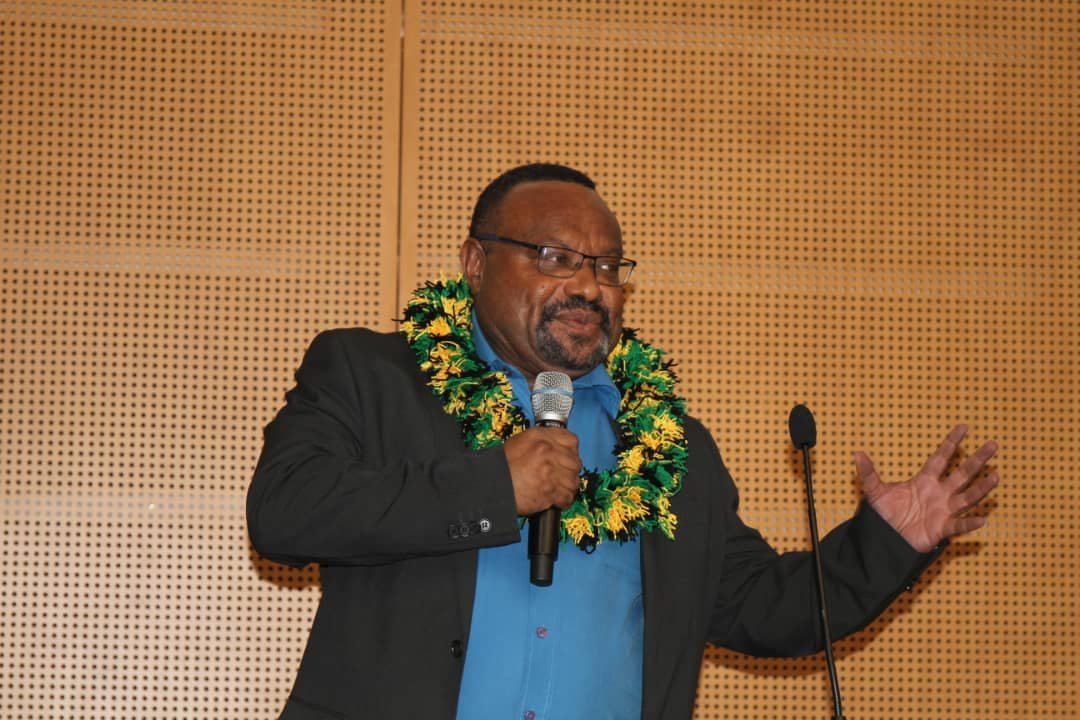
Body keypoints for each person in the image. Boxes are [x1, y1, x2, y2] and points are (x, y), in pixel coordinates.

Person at [247, 163, 999, 720]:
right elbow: (284, 513)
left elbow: (759, 606)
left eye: (608, 267)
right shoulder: (373, 376)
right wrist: (491, 489)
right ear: (475, 263)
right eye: (554, 258)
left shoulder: (671, 448)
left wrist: (889, 542)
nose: (589, 287)